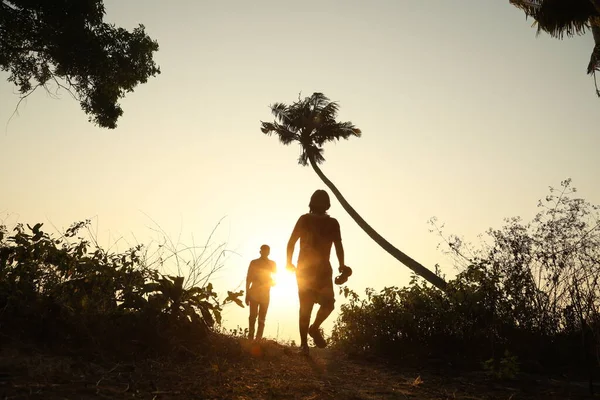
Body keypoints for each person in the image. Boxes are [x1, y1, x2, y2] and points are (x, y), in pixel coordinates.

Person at [286, 189, 347, 355]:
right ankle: (304, 345)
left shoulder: (333, 223)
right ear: (313, 203)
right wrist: (288, 262)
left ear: (327, 204)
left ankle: (314, 328)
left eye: (323, 201)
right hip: (305, 270)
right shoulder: (304, 220)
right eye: (318, 201)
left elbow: (338, 245)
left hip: (324, 270)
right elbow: (291, 242)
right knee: (305, 306)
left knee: (329, 304)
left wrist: (342, 265)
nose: (320, 204)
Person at [245, 244, 276, 341]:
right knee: (253, 316)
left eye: (267, 251)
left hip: (265, 294)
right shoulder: (254, 262)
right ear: (260, 251)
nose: (265, 253)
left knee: (262, 319)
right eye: (264, 251)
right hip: (254, 292)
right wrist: (247, 294)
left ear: (269, 252)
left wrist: (271, 282)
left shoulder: (272, 263)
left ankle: (258, 339)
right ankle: (250, 337)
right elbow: (248, 278)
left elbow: (274, 277)